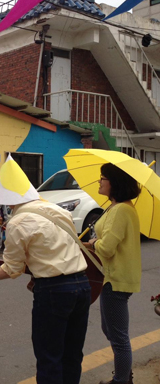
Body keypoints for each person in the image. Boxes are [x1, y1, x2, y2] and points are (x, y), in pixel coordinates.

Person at [0, 155, 91, 384]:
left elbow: (12, 268)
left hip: (53, 291)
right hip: (82, 286)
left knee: (49, 358)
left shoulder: (17, 222)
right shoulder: (57, 210)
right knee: (72, 355)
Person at [84, 163, 141, 384]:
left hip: (116, 278)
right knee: (109, 329)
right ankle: (124, 375)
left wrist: (95, 242)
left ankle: (122, 380)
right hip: (112, 276)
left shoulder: (121, 210)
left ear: (114, 183)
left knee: (118, 338)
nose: (99, 181)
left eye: (103, 178)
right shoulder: (116, 207)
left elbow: (107, 248)